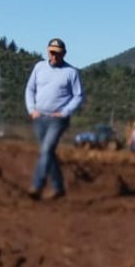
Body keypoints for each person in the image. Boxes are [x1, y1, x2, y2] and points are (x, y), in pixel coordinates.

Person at [24, 38, 84, 200]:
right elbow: (30, 89)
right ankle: (58, 187)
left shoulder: (71, 72)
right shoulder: (39, 67)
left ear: (64, 53)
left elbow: (78, 96)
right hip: (39, 117)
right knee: (48, 152)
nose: (54, 56)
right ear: (47, 51)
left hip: (58, 120)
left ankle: (37, 185)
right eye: (52, 52)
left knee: (45, 150)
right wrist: (31, 109)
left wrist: (65, 111)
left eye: (58, 53)